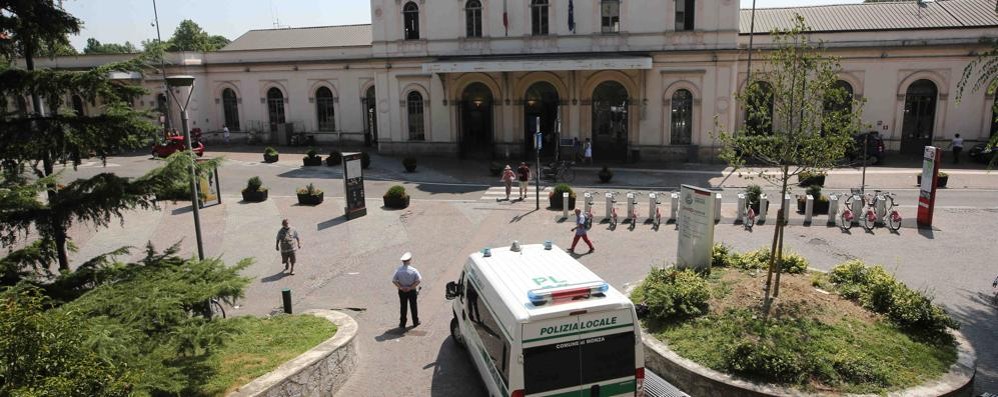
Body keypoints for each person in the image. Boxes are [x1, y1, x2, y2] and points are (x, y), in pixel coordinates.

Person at [392, 252, 421, 328]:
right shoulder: (414, 270)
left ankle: (402, 323)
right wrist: (411, 287)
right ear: (409, 260)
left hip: (402, 291)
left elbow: (394, 280)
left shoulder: (398, 270)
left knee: (403, 307)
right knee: (413, 306)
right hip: (411, 291)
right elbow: (418, 280)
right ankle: (415, 322)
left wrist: (401, 287)